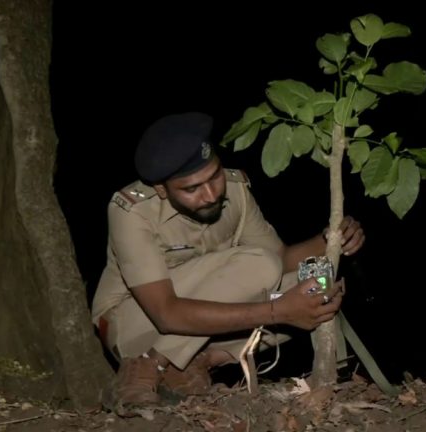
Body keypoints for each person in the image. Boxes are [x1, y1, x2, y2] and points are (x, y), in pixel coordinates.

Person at [92, 112, 365, 407]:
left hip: (197, 334)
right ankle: (146, 366)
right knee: (261, 269)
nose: (211, 194)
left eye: (214, 176)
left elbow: (281, 258)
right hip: (136, 328)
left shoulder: (236, 191)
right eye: (192, 189)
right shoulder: (132, 211)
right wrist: (277, 312)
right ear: (161, 189)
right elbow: (165, 313)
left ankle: (196, 362)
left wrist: (330, 240)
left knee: (315, 288)